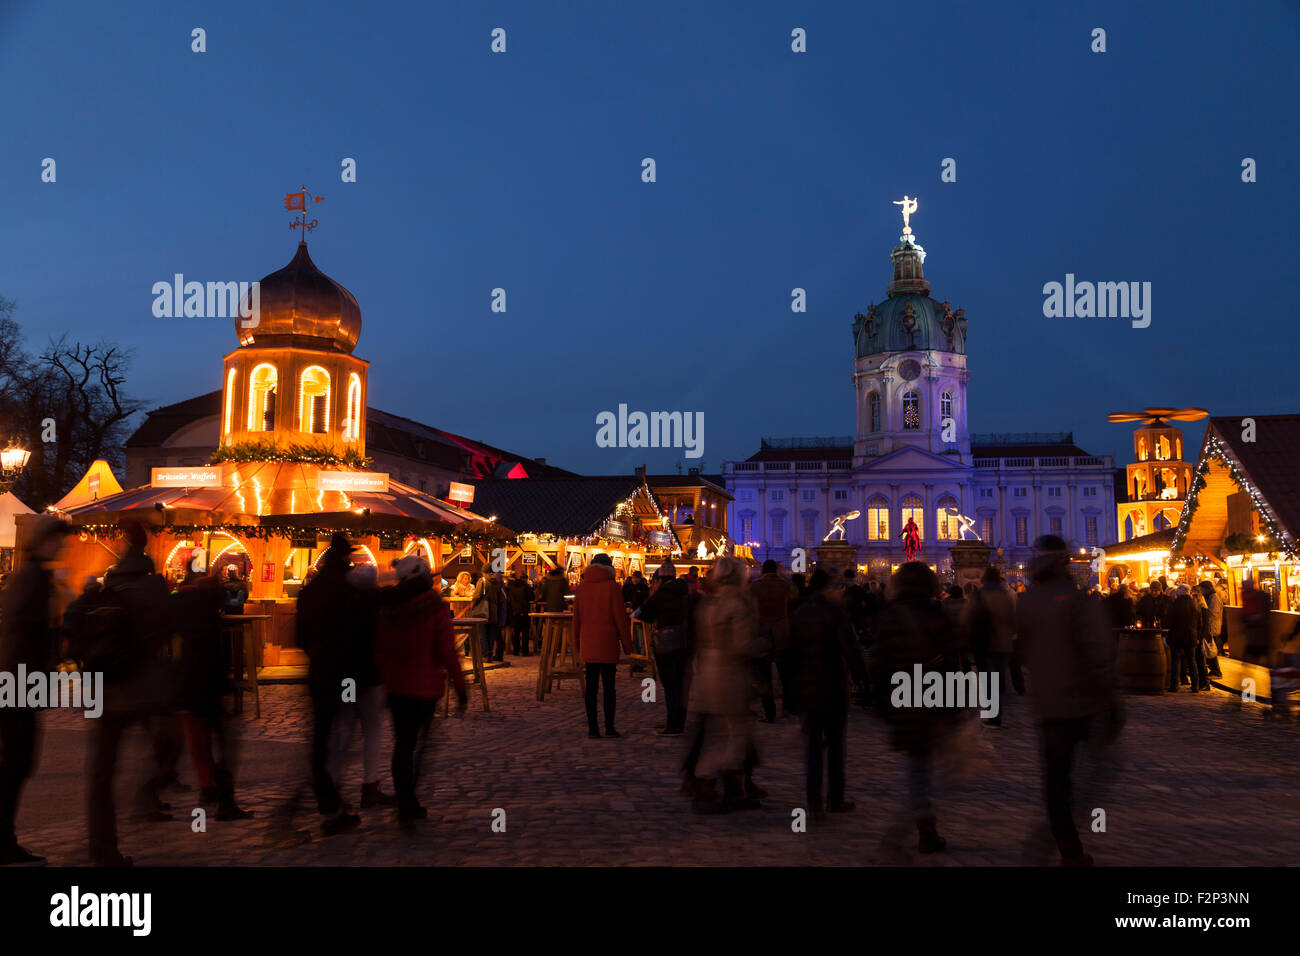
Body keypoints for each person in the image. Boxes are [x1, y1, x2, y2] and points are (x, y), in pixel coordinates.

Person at [1015, 535, 1123, 867]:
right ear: (1064, 562)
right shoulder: (1078, 599)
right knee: (1100, 768)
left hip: (1048, 704)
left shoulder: (1027, 600)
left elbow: (1021, 652)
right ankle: (1069, 830)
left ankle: (1066, 844)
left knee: (1056, 778)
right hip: (1084, 700)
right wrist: (1110, 694)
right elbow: (1098, 649)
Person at [87, 518, 182, 867]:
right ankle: (149, 795)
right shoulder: (152, 586)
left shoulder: (107, 584)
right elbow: (168, 626)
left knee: (101, 773)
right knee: (169, 743)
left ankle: (101, 848)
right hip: (142, 683)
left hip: (105, 685)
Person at [870, 562, 959, 853]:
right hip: (933, 695)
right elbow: (953, 662)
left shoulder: (890, 617)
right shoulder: (939, 616)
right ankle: (920, 820)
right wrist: (955, 704)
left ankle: (918, 818)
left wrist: (882, 701)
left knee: (916, 762)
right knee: (928, 763)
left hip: (903, 695)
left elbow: (880, 662)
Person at [0, 516, 72, 866]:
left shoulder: (30, 577)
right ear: (45, 541)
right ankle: (3, 840)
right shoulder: (32, 579)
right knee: (15, 762)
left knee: (16, 762)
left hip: (18, 681)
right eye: (59, 541)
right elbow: (27, 635)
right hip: (19, 683)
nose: (63, 547)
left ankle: (4, 837)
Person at [374, 555, 467, 826]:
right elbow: (447, 652)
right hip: (426, 688)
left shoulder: (388, 606)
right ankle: (410, 797)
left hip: (396, 687)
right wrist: (460, 687)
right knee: (422, 746)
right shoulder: (434, 606)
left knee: (403, 744)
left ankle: (405, 797)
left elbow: (380, 648)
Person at [295, 533, 364, 836]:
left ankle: (330, 799)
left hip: (319, 671)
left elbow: (299, 638)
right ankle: (331, 802)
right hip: (345, 673)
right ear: (345, 558)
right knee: (345, 734)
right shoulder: (349, 591)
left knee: (322, 736)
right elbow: (356, 634)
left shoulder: (309, 592)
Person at [682, 557, 764, 813]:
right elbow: (742, 646)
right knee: (736, 733)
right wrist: (764, 645)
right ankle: (713, 785)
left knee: (719, 733)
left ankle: (727, 787)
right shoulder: (737, 605)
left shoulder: (708, 603)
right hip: (730, 674)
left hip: (708, 671)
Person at [174, 563, 251, 821]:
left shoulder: (184, 610)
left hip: (188, 686)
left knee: (199, 742)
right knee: (224, 744)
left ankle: (207, 788)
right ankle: (225, 799)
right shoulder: (207, 615)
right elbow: (214, 657)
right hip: (207, 687)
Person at [789, 569, 868, 817]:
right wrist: (861, 678)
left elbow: (791, 653)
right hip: (832, 684)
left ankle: (813, 803)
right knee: (835, 746)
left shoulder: (800, 613)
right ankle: (835, 799)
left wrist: (792, 689)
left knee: (813, 746)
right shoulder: (836, 613)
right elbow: (851, 649)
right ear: (828, 589)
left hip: (807, 686)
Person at [329, 563, 396, 809]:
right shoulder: (380, 606)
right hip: (372, 676)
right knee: (373, 730)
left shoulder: (340, 605)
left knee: (344, 728)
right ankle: (370, 786)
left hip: (347, 676)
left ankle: (333, 784)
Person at [572, 554, 632, 738]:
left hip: (589, 642)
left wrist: (576, 644)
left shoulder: (581, 588)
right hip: (607, 643)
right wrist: (628, 646)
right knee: (609, 687)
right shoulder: (612, 587)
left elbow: (576, 619)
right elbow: (620, 619)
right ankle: (609, 727)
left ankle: (593, 729)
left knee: (590, 688)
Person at [637, 564, 693, 735]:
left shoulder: (661, 593)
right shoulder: (686, 592)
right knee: (681, 683)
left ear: (660, 578)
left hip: (666, 642)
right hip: (685, 641)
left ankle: (672, 724)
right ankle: (681, 722)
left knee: (669, 684)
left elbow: (644, 613)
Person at [965, 565, 1016, 727]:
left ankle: (993, 714)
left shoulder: (979, 595)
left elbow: (967, 619)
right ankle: (997, 711)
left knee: (987, 679)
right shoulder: (1006, 596)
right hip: (1002, 643)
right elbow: (1013, 619)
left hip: (983, 643)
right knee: (998, 678)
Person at [750, 560, 798, 721]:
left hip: (762, 632)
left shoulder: (755, 586)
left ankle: (769, 712)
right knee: (785, 675)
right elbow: (794, 597)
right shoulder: (784, 585)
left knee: (764, 677)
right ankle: (788, 708)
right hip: (781, 632)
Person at [1164, 585, 1201, 692]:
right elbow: (1199, 622)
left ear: (1179, 593)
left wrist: (1168, 634)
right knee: (1192, 661)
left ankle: (1174, 685)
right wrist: (1197, 635)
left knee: (1175, 661)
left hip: (1177, 636)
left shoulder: (1175, 605)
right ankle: (1195, 686)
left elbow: (1168, 621)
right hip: (1191, 636)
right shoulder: (1195, 604)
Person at [471, 570, 505, 662]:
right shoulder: (497, 583)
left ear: (484, 572)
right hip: (494, 612)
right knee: (490, 633)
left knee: (482, 633)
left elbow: (477, 596)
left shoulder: (482, 581)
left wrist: (473, 606)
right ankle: (490, 654)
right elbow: (499, 597)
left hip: (483, 611)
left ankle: (484, 655)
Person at [1199, 580, 1224, 678]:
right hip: (1209, 628)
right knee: (1208, 649)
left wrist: (1203, 609)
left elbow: (1212, 614)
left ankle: (1216, 672)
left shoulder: (1214, 598)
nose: (1201, 592)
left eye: (1202, 590)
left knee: (1211, 650)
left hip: (1212, 628)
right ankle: (1214, 671)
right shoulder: (1210, 597)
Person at [505, 570, 534, 655]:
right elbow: (531, 597)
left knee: (516, 631)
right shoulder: (526, 586)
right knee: (525, 632)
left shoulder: (511, 587)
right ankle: (525, 651)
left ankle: (516, 650)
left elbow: (509, 599)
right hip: (524, 611)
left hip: (514, 611)